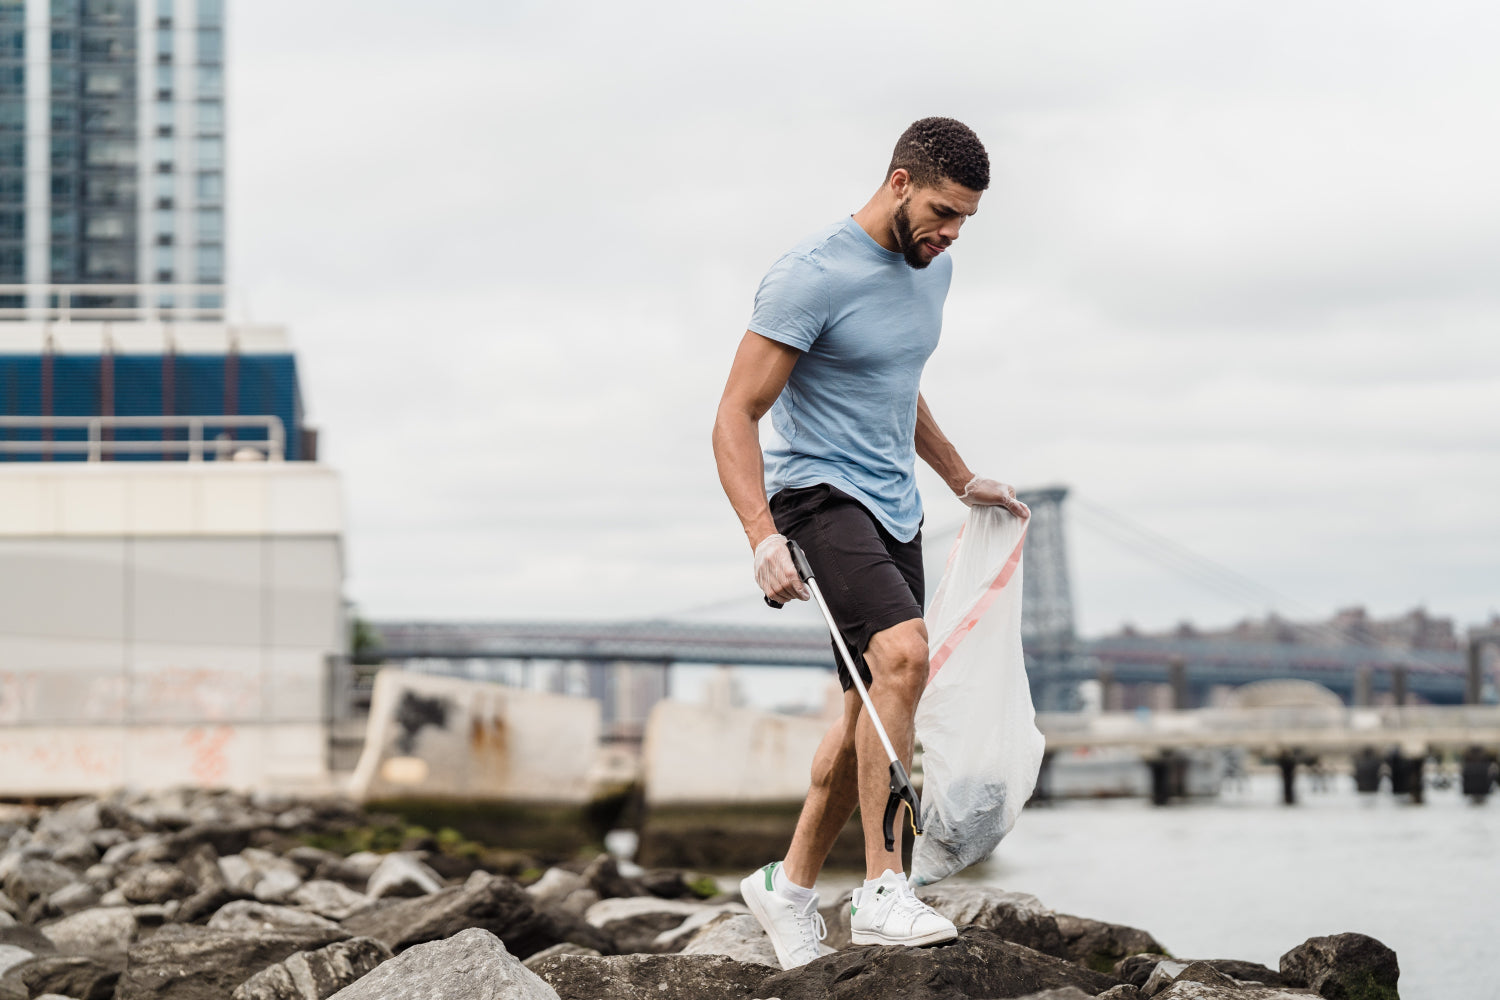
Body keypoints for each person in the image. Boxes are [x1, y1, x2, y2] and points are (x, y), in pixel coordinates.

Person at [711, 117, 1031, 970]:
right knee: (902, 658)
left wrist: (961, 479)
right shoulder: (809, 277)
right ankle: (885, 889)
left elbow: (897, 385)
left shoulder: (935, 270)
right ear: (898, 183)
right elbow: (734, 415)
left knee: (868, 704)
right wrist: (761, 537)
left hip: (895, 511)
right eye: (940, 210)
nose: (951, 232)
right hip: (817, 498)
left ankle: (787, 886)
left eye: (964, 218)